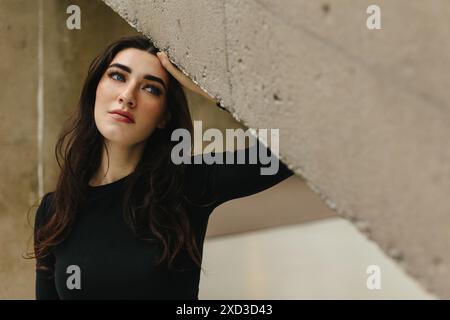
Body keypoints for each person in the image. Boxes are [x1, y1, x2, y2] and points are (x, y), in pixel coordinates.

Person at [32, 35, 293, 300]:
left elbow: (292, 149)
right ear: (95, 90)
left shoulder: (187, 184)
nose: (127, 96)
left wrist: (212, 89)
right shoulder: (55, 210)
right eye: (118, 77)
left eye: (151, 88)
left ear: (164, 116)